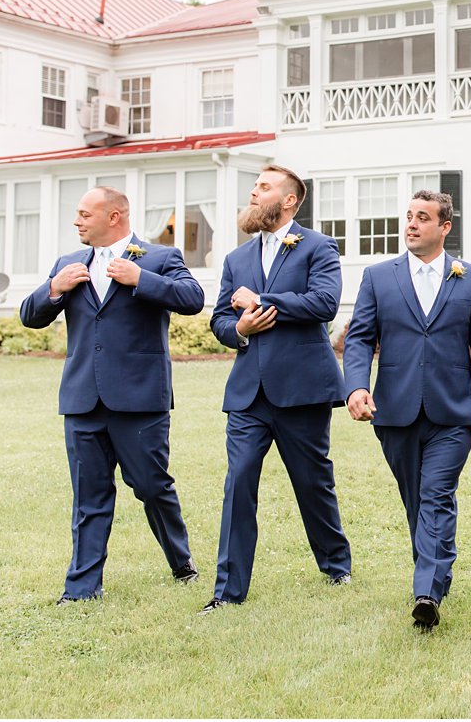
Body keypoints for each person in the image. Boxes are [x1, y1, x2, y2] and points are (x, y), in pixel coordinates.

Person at [19, 186, 205, 604]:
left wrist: (141, 279)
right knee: (90, 496)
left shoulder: (158, 258)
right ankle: (81, 590)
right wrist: (53, 287)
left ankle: (181, 561)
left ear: (114, 216)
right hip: (83, 400)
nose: (77, 221)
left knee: (152, 486)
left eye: (85, 214)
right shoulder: (68, 264)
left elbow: (193, 299)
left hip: (140, 401)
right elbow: (30, 316)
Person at [343, 190, 471, 631]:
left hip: (454, 413)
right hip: (394, 411)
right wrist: (355, 386)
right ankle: (432, 572)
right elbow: (358, 339)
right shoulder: (378, 276)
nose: (411, 224)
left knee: (436, 495)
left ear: (444, 227)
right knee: (417, 502)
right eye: (408, 217)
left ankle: (427, 590)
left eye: (422, 218)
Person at [202, 165, 351, 613]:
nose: (254, 193)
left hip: (302, 388)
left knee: (311, 480)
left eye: (263, 188)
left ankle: (335, 562)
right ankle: (228, 592)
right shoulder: (236, 259)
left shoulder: (318, 247)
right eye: (254, 187)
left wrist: (263, 302)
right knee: (239, 480)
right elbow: (219, 321)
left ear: (289, 200)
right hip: (249, 392)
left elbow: (324, 303)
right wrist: (241, 328)